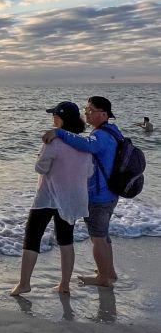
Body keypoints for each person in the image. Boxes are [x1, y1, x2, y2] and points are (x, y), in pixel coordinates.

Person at [11, 101, 92, 297]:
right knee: (66, 239)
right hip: (72, 198)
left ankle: (24, 284)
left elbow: (41, 168)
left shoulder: (53, 142)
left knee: (32, 237)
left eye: (55, 114)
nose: (52, 117)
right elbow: (89, 172)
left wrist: (40, 155)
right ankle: (64, 284)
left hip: (48, 197)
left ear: (62, 118)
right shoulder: (83, 144)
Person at [43, 95, 122, 287]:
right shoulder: (112, 131)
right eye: (86, 109)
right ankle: (109, 271)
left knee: (98, 238)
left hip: (99, 195)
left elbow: (88, 145)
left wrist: (59, 133)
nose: (86, 113)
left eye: (90, 110)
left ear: (104, 114)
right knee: (103, 236)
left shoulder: (101, 135)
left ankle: (103, 278)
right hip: (110, 193)